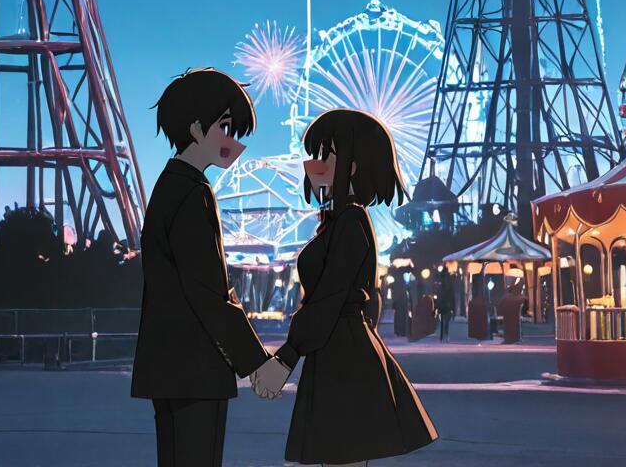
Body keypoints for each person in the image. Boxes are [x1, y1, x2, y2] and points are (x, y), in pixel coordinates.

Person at [252, 108, 438, 466]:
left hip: (343, 358)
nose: (313, 165)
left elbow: (329, 295)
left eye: (325, 155)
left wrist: (287, 356)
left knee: (343, 455)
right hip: (339, 350)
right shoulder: (342, 221)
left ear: (351, 165)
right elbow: (362, 299)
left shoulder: (350, 221)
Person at [131, 68, 280, 467]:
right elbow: (209, 292)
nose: (233, 142)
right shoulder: (193, 194)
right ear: (197, 128)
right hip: (195, 367)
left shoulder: (167, 187)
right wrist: (257, 363)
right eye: (225, 127)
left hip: (166, 365)